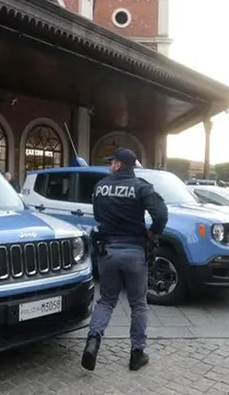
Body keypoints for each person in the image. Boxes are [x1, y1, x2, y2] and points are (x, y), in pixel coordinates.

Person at [81, 148, 168, 372]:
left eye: (112, 163)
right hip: (134, 253)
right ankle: (136, 355)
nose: (110, 166)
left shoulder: (100, 186)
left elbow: (99, 216)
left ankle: (93, 342)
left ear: (119, 164)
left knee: (107, 300)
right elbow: (161, 213)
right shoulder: (142, 186)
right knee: (138, 304)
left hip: (108, 252)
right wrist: (154, 233)